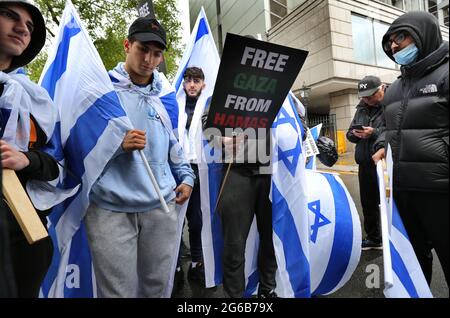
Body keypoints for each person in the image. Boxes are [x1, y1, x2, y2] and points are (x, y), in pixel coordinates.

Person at [85, 16, 195, 298]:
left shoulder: (167, 94)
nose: (149, 59)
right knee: (117, 293)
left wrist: (186, 177)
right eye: (142, 49)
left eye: (156, 53)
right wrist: (116, 144)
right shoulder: (102, 90)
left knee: (156, 288)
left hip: (161, 207)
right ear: (127, 45)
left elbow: (174, 143)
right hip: (110, 209)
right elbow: (79, 148)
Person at [373, 11, 448, 286]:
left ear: (423, 35)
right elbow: (387, 127)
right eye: (390, 41)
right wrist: (381, 144)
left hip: (441, 190)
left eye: (400, 37)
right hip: (403, 191)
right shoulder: (393, 89)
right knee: (413, 262)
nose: (394, 46)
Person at [0, 0, 59, 297]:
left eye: (30, 25)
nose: (22, 27)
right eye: (10, 15)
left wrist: (25, 159)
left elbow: (55, 165)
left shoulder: (37, 101)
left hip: (26, 234)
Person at [202, 105, 277, 299]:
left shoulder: (281, 88)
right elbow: (207, 122)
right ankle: (234, 296)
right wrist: (221, 140)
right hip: (236, 170)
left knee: (271, 238)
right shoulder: (231, 83)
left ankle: (267, 289)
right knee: (234, 242)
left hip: (272, 172)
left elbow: (297, 123)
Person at [173, 67, 207, 291]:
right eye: (188, 80)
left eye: (196, 81)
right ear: (183, 83)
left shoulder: (209, 104)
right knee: (174, 221)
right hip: (175, 167)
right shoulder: (173, 103)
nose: (192, 85)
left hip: (198, 168)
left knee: (196, 221)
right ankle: (174, 268)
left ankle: (196, 263)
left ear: (203, 83)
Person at [347, 75, 386, 251]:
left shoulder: (391, 105)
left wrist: (375, 132)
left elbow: (394, 130)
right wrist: (355, 134)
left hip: (384, 163)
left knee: (388, 202)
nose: (367, 100)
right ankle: (374, 237)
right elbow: (349, 133)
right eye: (364, 96)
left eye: (370, 96)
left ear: (382, 88)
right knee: (368, 203)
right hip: (365, 163)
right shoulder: (361, 109)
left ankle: (394, 237)